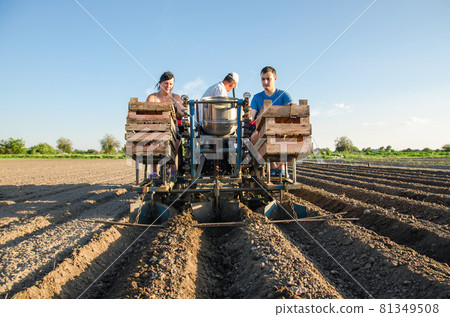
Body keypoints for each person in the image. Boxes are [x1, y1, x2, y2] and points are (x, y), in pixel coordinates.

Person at [250, 66, 294, 177]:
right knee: (254, 137)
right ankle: (272, 165)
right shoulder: (256, 98)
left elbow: (292, 108)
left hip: (280, 129)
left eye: (268, 79)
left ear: (275, 79)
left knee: (287, 135)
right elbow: (251, 117)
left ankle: (281, 166)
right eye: (262, 79)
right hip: (263, 129)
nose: (265, 82)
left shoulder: (283, 95)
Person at [146, 71, 184, 177]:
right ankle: (153, 170)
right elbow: (149, 115)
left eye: (171, 84)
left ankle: (173, 168)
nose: (168, 86)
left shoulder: (176, 97)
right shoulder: (152, 97)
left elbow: (181, 113)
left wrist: (178, 110)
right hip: (156, 128)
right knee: (153, 138)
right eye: (166, 83)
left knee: (177, 138)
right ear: (160, 83)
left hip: (172, 128)